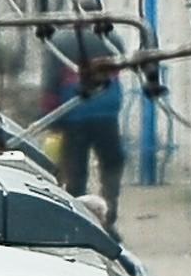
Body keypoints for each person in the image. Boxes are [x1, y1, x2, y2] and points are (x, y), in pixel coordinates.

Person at [42, 41, 128, 216]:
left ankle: (78, 213)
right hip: (106, 111)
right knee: (112, 162)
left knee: (76, 169)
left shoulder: (60, 42)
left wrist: (49, 114)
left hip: (74, 113)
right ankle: (109, 209)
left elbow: (51, 79)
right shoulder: (111, 38)